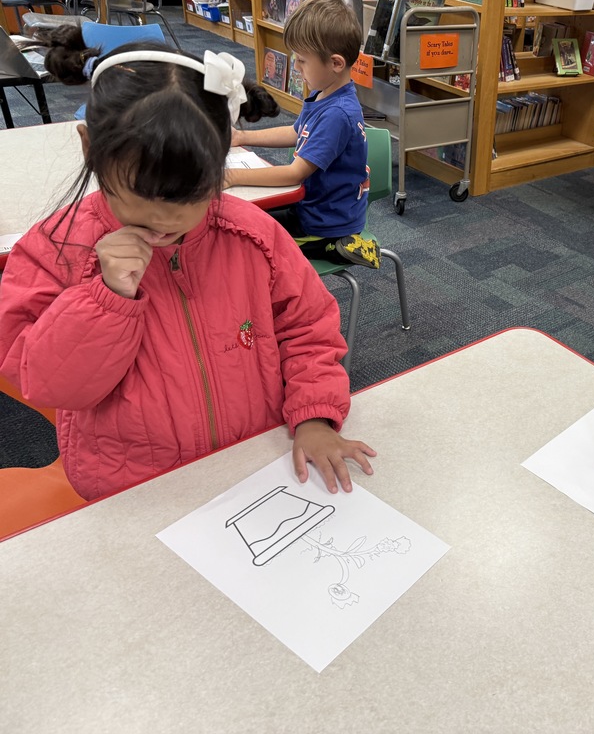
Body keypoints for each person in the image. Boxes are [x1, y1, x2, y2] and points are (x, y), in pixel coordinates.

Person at [0, 42, 376, 501]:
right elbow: (48, 384)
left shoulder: (254, 236)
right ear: (89, 147)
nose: (165, 222)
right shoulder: (54, 251)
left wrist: (315, 415)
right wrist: (106, 299)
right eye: (139, 200)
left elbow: (309, 330)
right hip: (133, 487)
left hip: (252, 466)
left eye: (192, 198)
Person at [225, 0, 378, 269]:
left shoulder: (337, 114)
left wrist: (234, 175)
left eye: (302, 61)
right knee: (245, 218)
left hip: (322, 223)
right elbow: (297, 131)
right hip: (314, 207)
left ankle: (335, 247)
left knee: (246, 238)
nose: (295, 67)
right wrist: (243, 137)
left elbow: (295, 173)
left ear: (335, 63)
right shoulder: (324, 92)